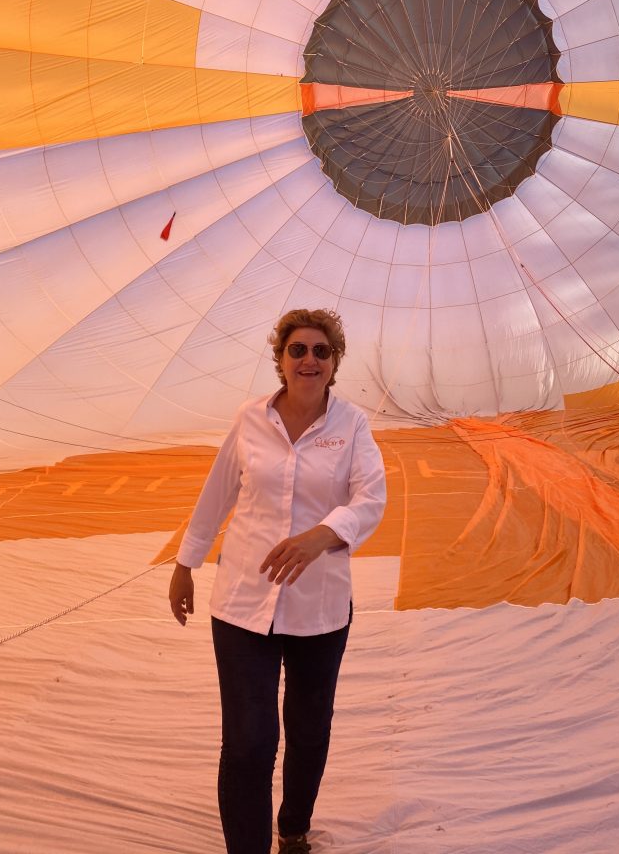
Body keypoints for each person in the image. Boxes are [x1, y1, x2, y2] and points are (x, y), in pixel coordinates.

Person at [168, 308, 386, 854]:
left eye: (320, 351)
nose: (308, 360)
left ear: (334, 363)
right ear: (281, 360)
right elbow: (217, 493)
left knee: (308, 732)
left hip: (320, 609)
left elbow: (371, 499)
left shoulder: (352, 425)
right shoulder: (249, 419)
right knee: (248, 741)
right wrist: (185, 563)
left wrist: (322, 536)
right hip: (242, 603)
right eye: (298, 350)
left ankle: (293, 830)